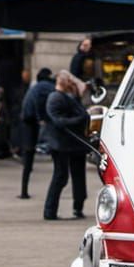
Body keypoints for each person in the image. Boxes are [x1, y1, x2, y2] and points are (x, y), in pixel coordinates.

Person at [42, 70, 89, 221]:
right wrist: (80, 118)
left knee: (75, 176)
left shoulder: (67, 96)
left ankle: (76, 207)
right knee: (61, 176)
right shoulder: (56, 97)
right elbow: (59, 121)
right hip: (62, 143)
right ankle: (50, 211)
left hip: (72, 143)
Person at [18, 67, 55, 199]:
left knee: (28, 155)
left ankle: (24, 190)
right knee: (31, 153)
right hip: (32, 121)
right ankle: (24, 191)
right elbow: (40, 101)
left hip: (27, 120)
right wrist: (42, 118)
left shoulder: (36, 86)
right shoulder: (46, 86)